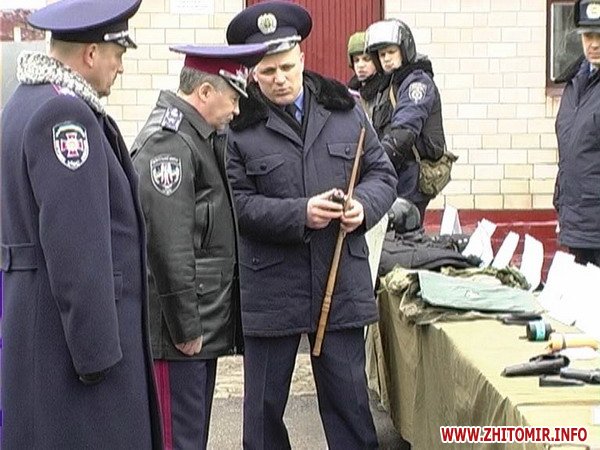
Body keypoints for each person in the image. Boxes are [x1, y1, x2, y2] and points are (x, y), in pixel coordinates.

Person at [225, 2, 397, 449]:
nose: (279, 78)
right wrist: (300, 213)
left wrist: (362, 207)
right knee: (262, 415)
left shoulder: (345, 111)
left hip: (338, 279)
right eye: (267, 71)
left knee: (350, 408)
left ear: (302, 58)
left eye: (286, 66)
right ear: (253, 73)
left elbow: (382, 174)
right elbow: (239, 205)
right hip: (272, 287)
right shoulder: (238, 127)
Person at [0, 0, 162, 448]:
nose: (120, 67)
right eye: (118, 54)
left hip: (38, 327)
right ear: (91, 53)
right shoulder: (65, 116)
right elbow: (77, 249)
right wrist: (98, 359)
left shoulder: (23, 102)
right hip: (72, 350)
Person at [130, 42, 268, 450]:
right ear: (205, 92)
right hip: (179, 333)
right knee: (178, 441)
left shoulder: (199, 136)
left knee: (192, 438)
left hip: (197, 326)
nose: (237, 111)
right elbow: (167, 245)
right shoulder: (169, 144)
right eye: (233, 99)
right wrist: (186, 328)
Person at [366, 18, 447, 224]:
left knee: (406, 231)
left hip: (412, 174)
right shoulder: (389, 84)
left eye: (391, 52)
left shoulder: (416, 82)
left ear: (404, 49)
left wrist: (372, 165)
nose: (386, 59)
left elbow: (404, 132)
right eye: (381, 54)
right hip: (395, 171)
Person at [554, 0, 600, 266]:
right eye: (588, 36)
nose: (593, 44)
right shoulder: (574, 83)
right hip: (577, 223)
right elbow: (570, 152)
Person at [347, 30, 383, 120]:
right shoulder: (350, 94)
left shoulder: (386, 92)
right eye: (356, 60)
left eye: (366, 59)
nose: (361, 65)